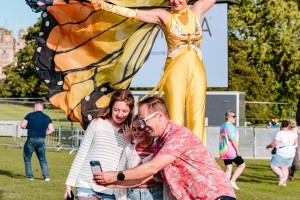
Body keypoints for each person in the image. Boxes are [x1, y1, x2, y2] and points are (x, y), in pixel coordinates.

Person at [90, 0, 217, 144]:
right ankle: (174, 156)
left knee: (197, 117)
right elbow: (134, 14)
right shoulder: (164, 15)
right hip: (175, 71)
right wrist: (105, 6)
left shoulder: (197, 10)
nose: (175, 1)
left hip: (198, 71)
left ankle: (199, 157)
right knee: (176, 118)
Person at [94, 96, 236, 200]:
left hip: (216, 197)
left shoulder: (178, 135)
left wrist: (115, 175)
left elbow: (152, 167)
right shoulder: (161, 143)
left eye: (144, 120)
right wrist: (110, 183)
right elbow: (145, 176)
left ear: (160, 116)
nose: (142, 126)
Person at [64, 89, 135, 200]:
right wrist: (69, 183)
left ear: (130, 111)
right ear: (111, 107)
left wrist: (129, 142)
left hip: (111, 188)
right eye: (116, 110)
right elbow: (82, 153)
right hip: (86, 183)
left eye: (124, 111)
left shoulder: (131, 131)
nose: (120, 114)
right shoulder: (97, 123)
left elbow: (130, 163)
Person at [115, 116, 164, 200]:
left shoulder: (159, 148)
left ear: (148, 128)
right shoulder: (129, 149)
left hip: (155, 194)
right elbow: (120, 172)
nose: (136, 132)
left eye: (140, 129)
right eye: (134, 129)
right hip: (133, 194)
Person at [20, 101, 55, 181]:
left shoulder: (30, 115)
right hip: (42, 140)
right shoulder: (47, 117)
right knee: (42, 159)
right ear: (42, 108)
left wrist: (29, 128)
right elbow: (52, 130)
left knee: (27, 157)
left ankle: (30, 177)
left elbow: (22, 125)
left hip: (31, 139)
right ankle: (46, 177)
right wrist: (43, 133)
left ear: (35, 107)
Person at [219, 110, 246, 190]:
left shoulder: (223, 125)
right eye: (234, 117)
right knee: (242, 165)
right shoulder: (230, 126)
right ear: (229, 117)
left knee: (228, 169)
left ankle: (226, 187)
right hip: (231, 151)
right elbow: (233, 140)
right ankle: (232, 181)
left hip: (223, 151)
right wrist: (238, 150)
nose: (235, 118)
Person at [266, 120, 298, 186]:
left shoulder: (280, 133)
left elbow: (275, 143)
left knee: (273, 165)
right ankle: (284, 183)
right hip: (291, 151)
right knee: (285, 167)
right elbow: (295, 143)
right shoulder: (292, 133)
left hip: (282, 151)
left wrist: (268, 146)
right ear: (288, 125)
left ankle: (282, 177)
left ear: (281, 125)